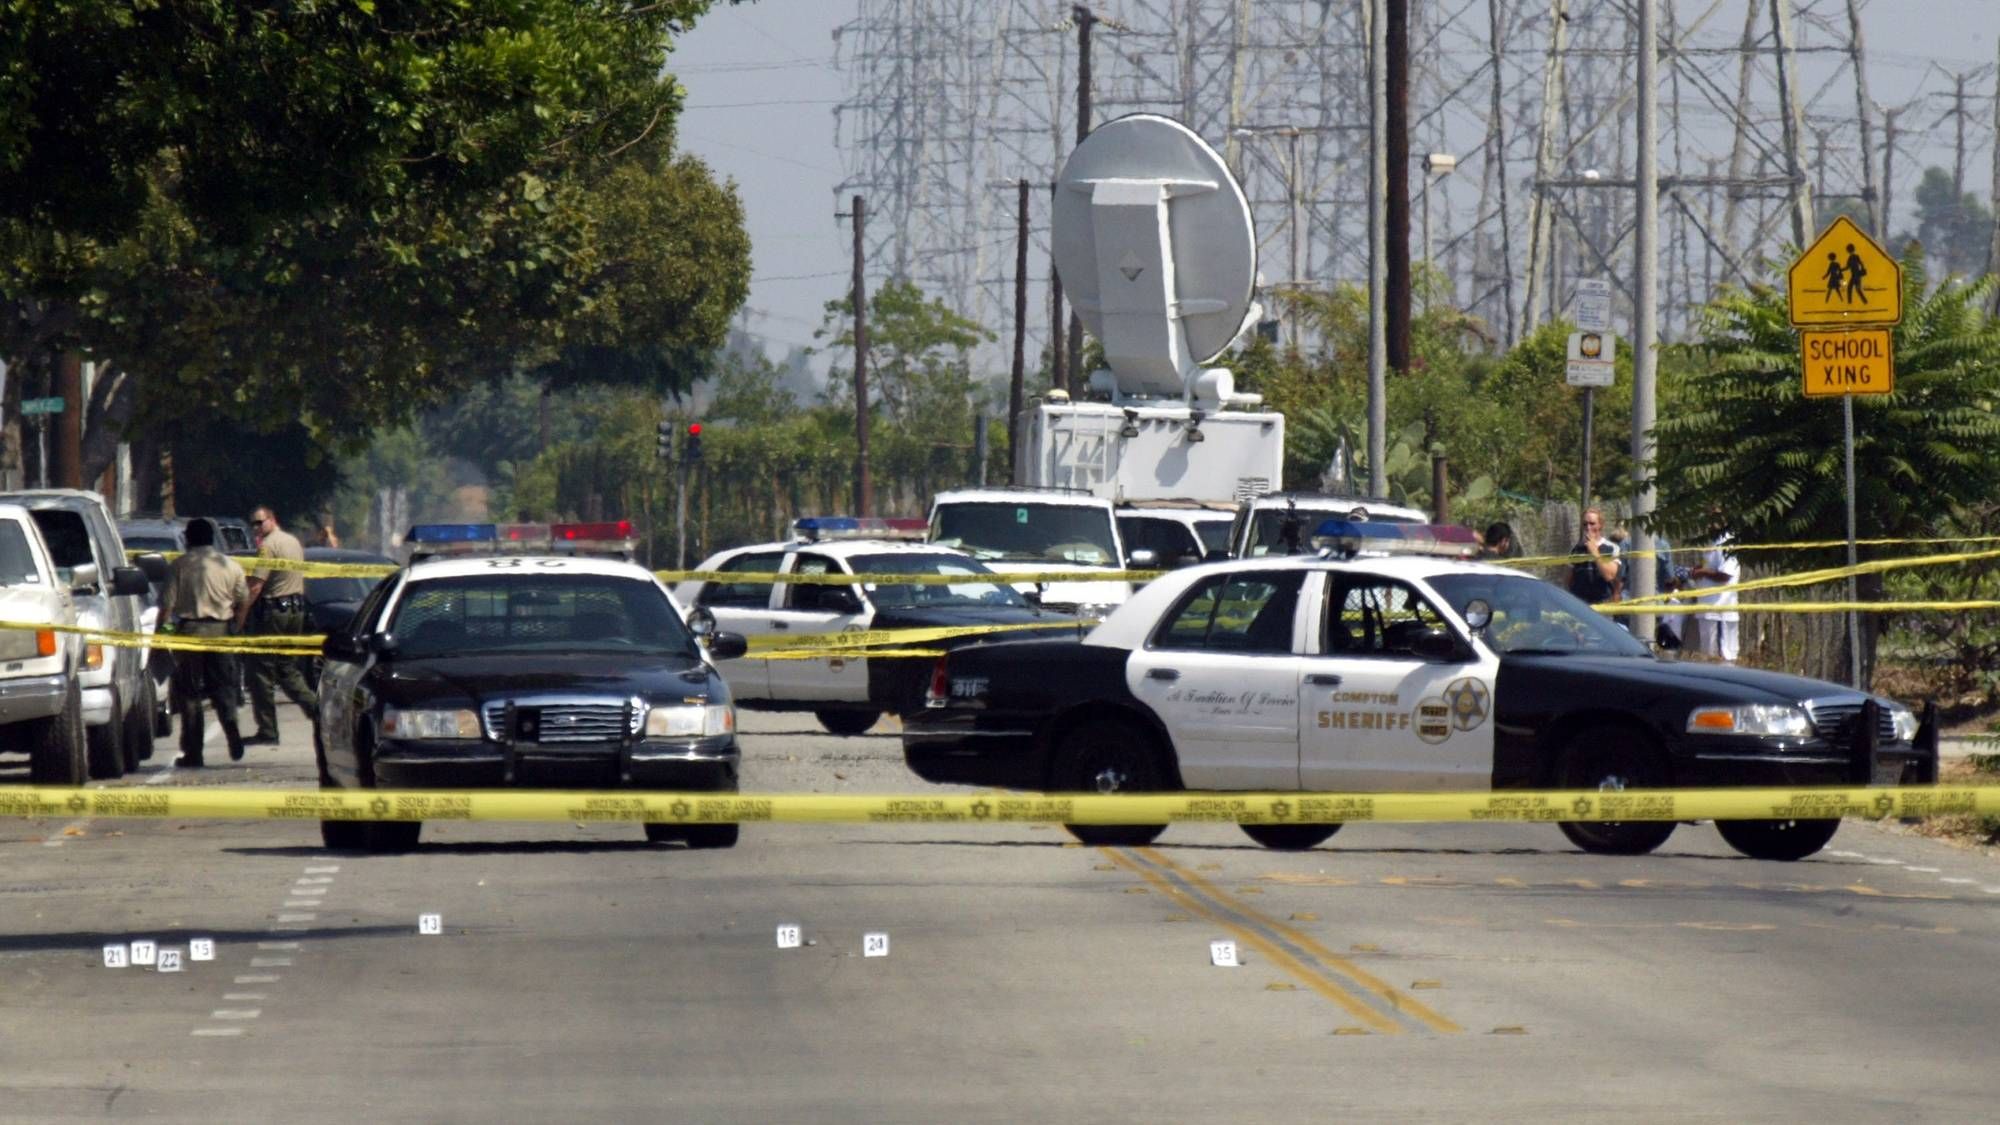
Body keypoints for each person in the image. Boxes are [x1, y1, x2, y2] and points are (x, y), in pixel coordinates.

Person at [158, 518, 247, 765]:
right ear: (211, 538)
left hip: (189, 633)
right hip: (221, 632)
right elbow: (243, 601)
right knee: (224, 687)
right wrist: (235, 627)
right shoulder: (230, 565)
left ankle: (193, 752)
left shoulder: (180, 565)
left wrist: (163, 634)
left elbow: (167, 608)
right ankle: (231, 727)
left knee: (189, 693)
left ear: (188, 539)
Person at [237, 505, 319, 744]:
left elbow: (255, 586)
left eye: (259, 522)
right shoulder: (293, 541)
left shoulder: (268, 546)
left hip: (274, 613)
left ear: (272, 520)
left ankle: (268, 730)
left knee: (260, 671)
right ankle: (319, 712)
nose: (256, 528)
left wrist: (240, 616)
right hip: (295, 610)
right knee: (287, 669)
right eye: (253, 524)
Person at [1689, 528, 1740, 662]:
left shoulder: (1727, 540)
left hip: (1719, 612)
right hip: (1707, 609)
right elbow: (1711, 566)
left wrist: (1703, 572)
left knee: (1720, 658)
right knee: (1707, 657)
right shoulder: (1711, 540)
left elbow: (1726, 575)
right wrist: (1699, 569)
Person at [1566, 508, 1620, 606]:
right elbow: (1569, 580)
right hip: (1580, 604)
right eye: (1585, 524)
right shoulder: (1576, 549)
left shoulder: (1611, 548)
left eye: (1592, 523)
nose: (1588, 527)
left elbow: (1609, 575)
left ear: (1600, 525)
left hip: (1603, 604)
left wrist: (1594, 552)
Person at [1652, 532, 1691, 651]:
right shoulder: (1662, 545)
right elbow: (1669, 576)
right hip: (1656, 603)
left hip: (1629, 600)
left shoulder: (1629, 543)